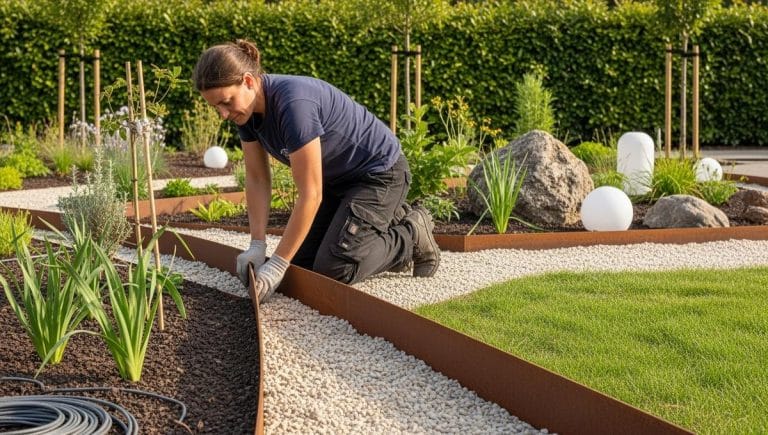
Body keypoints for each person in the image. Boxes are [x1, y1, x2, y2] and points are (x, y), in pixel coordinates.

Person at [192, 39, 440, 302]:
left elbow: (310, 194)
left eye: (226, 102)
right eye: (216, 106)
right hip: (337, 183)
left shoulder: (293, 105)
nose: (222, 114)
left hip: (379, 175)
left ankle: (410, 234)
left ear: (249, 81)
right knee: (301, 267)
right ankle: (382, 221)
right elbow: (256, 179)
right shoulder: (246, 114)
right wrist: (257, 244)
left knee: (334, 269)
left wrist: (275, 264)